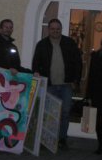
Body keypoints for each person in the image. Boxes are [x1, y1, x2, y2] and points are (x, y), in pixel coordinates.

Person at [32, 18, 82, 150]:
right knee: (49, 113)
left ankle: (62, 139)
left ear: (61, 29)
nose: (55, 31)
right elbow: (35, 63)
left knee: (65, 113)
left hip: (66, 85)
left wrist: (76, 80)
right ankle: (47, 139)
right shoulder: (41, 45)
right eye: (53, 29)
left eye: (58, 29)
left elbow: (78, 63)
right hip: (49, 85)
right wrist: (36, 74)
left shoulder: (69, 43)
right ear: (48, 30)